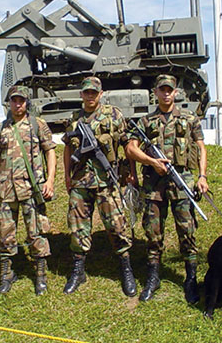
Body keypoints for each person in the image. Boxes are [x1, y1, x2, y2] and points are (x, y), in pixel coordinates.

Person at [125, 74, 208, 303]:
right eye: (162, 89)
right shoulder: (145, 122)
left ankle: (190, 279)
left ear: (176, 92)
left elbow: (201, 148)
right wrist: (152, 162)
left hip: (183, 181)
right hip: (154, 184)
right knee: (153, 232)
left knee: (187, 231)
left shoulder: (190, 119)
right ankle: (153, 277)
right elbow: (131, 149)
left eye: (169, 89)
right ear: (156, 92)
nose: (166, 93)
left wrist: (202, 176)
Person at [62, 76, 136, 297]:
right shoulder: (74, 119)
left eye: (94, 92)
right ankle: (78, 270)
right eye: (86, 92)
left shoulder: (113, 115)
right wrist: (66, 176)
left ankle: (126, 268)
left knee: (117, 225)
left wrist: (131, 173)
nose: (90, 96)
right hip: (81, 181)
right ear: (81, 94)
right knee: (77, 226)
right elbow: (67, 149)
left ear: (101, 94)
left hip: (106, 181)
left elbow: (127, 144)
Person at [0, 85, 57, 296]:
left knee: (36, 233)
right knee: (5, 233)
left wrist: (50, 181)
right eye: (14, 100)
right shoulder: (1, 128)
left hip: (31, 188)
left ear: (27, 102)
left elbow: (50, 152)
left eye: (21, 100)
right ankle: (7, 275)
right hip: (6, 189)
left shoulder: (38, 125)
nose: (18, 104)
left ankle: (40, 277)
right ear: (9, 102)